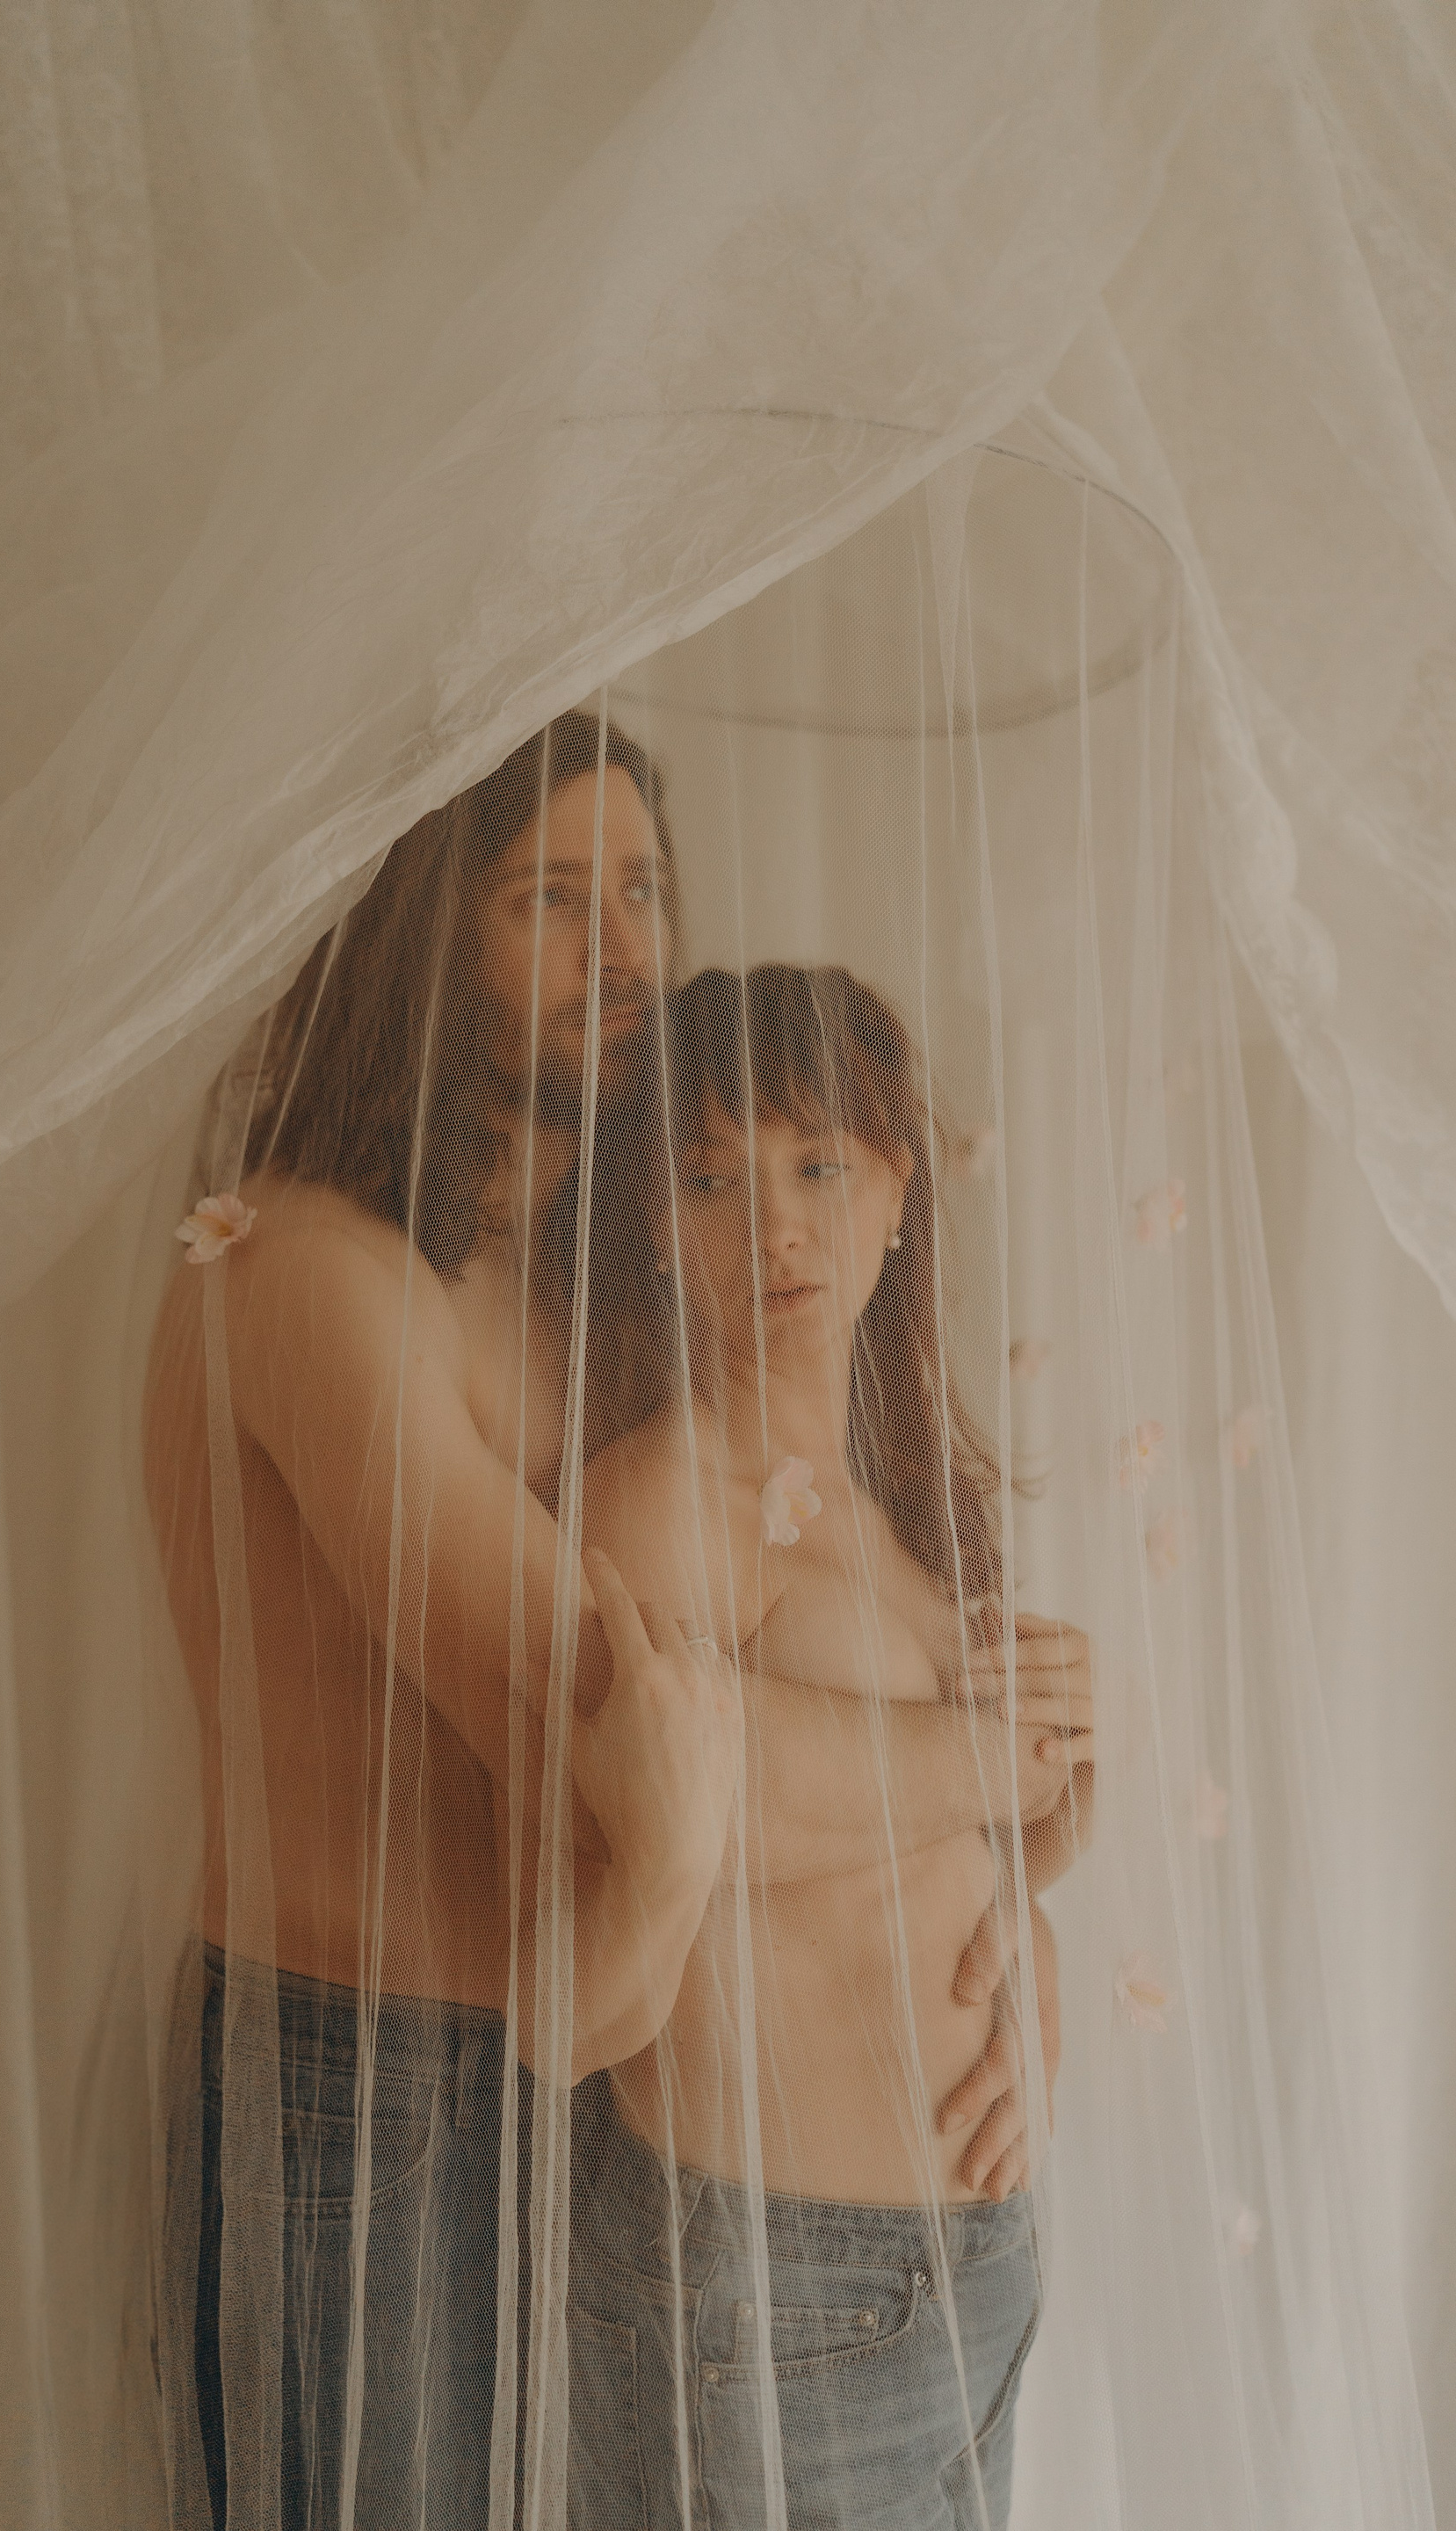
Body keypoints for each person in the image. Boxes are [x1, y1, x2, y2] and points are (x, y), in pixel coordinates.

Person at [143, 721, 1078, 2528]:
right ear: (433, 935)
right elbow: (626, 1725)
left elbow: (782, 1678)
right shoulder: (317, 1277)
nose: (626, 948)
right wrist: (1004, 1758)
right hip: (371, 2084)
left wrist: (1004, 1930)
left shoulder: (577, 1281)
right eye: (553, 901)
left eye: (642, 889)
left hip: (587, 2079)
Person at [570, 963, 1095, 2531]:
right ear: (656, 1225)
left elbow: (952, 1848)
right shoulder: (657, 1503)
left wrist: (1040, 1904)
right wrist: (998, 1760)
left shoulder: (900, 1501)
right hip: (774, 2290)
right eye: (710, 1179)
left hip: (975, 2265)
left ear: (897, 1192)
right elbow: (694, 1820)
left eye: (816, 1165)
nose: (776, 1229)